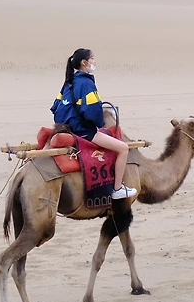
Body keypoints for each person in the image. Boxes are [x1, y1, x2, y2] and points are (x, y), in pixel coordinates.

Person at [51, 49, 136, 200]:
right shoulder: (87, 83)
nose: (94, 61)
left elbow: (55, 107)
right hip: (83, 131)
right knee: (123, 148)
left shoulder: (68, 82)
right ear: (84, 62)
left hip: (66, 129)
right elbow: (92, 111)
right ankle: (117, 188)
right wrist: (99, 123)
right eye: (92, 58)